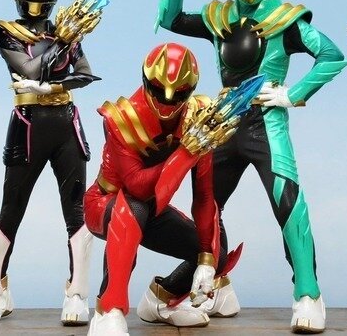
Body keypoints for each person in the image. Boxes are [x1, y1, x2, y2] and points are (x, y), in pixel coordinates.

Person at [154, 0, 347, 333]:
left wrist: (292, 94)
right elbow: (170, 18)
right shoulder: (219, 17)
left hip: (266, 124)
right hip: (224, 123)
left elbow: (332, 56)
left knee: (287, 202)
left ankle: (308, 293)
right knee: (206, 209)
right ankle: (210, 284)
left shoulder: (284, 19)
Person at [0, 0, 103, 326]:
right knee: (12, 207)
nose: (35, 3)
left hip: (65, 122)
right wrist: (62, 42)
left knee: (76, 209)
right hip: (27, 123)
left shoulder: (65, 33)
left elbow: (85, 74)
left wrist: (54, 82)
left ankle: (77, 292)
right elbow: (28, 68)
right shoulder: (5, 31)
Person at [85, 43, 248, 336]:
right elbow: (136, 186)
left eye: (179, 94)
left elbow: (204, 196)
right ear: (146, 81)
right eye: (159, 91)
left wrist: (207, 260)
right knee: (134, 207)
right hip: (105, 204)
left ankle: (161, 300)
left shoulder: (198, 118)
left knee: (215, 254)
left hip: (153, 209)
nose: (167, 101)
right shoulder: (122, 118)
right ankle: (108, 309)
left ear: (190, 90)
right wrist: (186, 152)